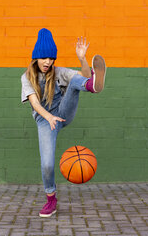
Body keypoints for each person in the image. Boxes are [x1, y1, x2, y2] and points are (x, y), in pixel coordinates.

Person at [21, 28, 106, 218]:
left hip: (63, 112)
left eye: (51, 59)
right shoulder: (26, 77)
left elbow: (82, 75)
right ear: (36, 58)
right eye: (44, 58)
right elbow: (34, 103)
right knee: (47, 165)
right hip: (45, 121)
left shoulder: (58, 72)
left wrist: (83, 59)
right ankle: (51, 199)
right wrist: (49, 117)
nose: (48, 62)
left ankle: (92, 87)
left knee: (77, 80)